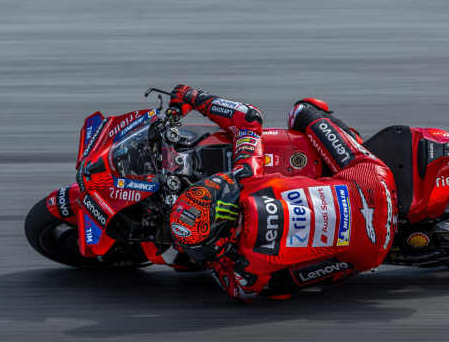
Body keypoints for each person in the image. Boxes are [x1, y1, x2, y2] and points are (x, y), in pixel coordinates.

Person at [167, 85, 398, 303]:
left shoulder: (249, 264)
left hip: (369, 251)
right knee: (301, 111)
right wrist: (193, 97)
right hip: (374, 183)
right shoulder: (246, 176)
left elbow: (242, 294)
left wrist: (212, 260)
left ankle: (346, 270)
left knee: (275, 289)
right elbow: (249, 118)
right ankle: (355, 142)